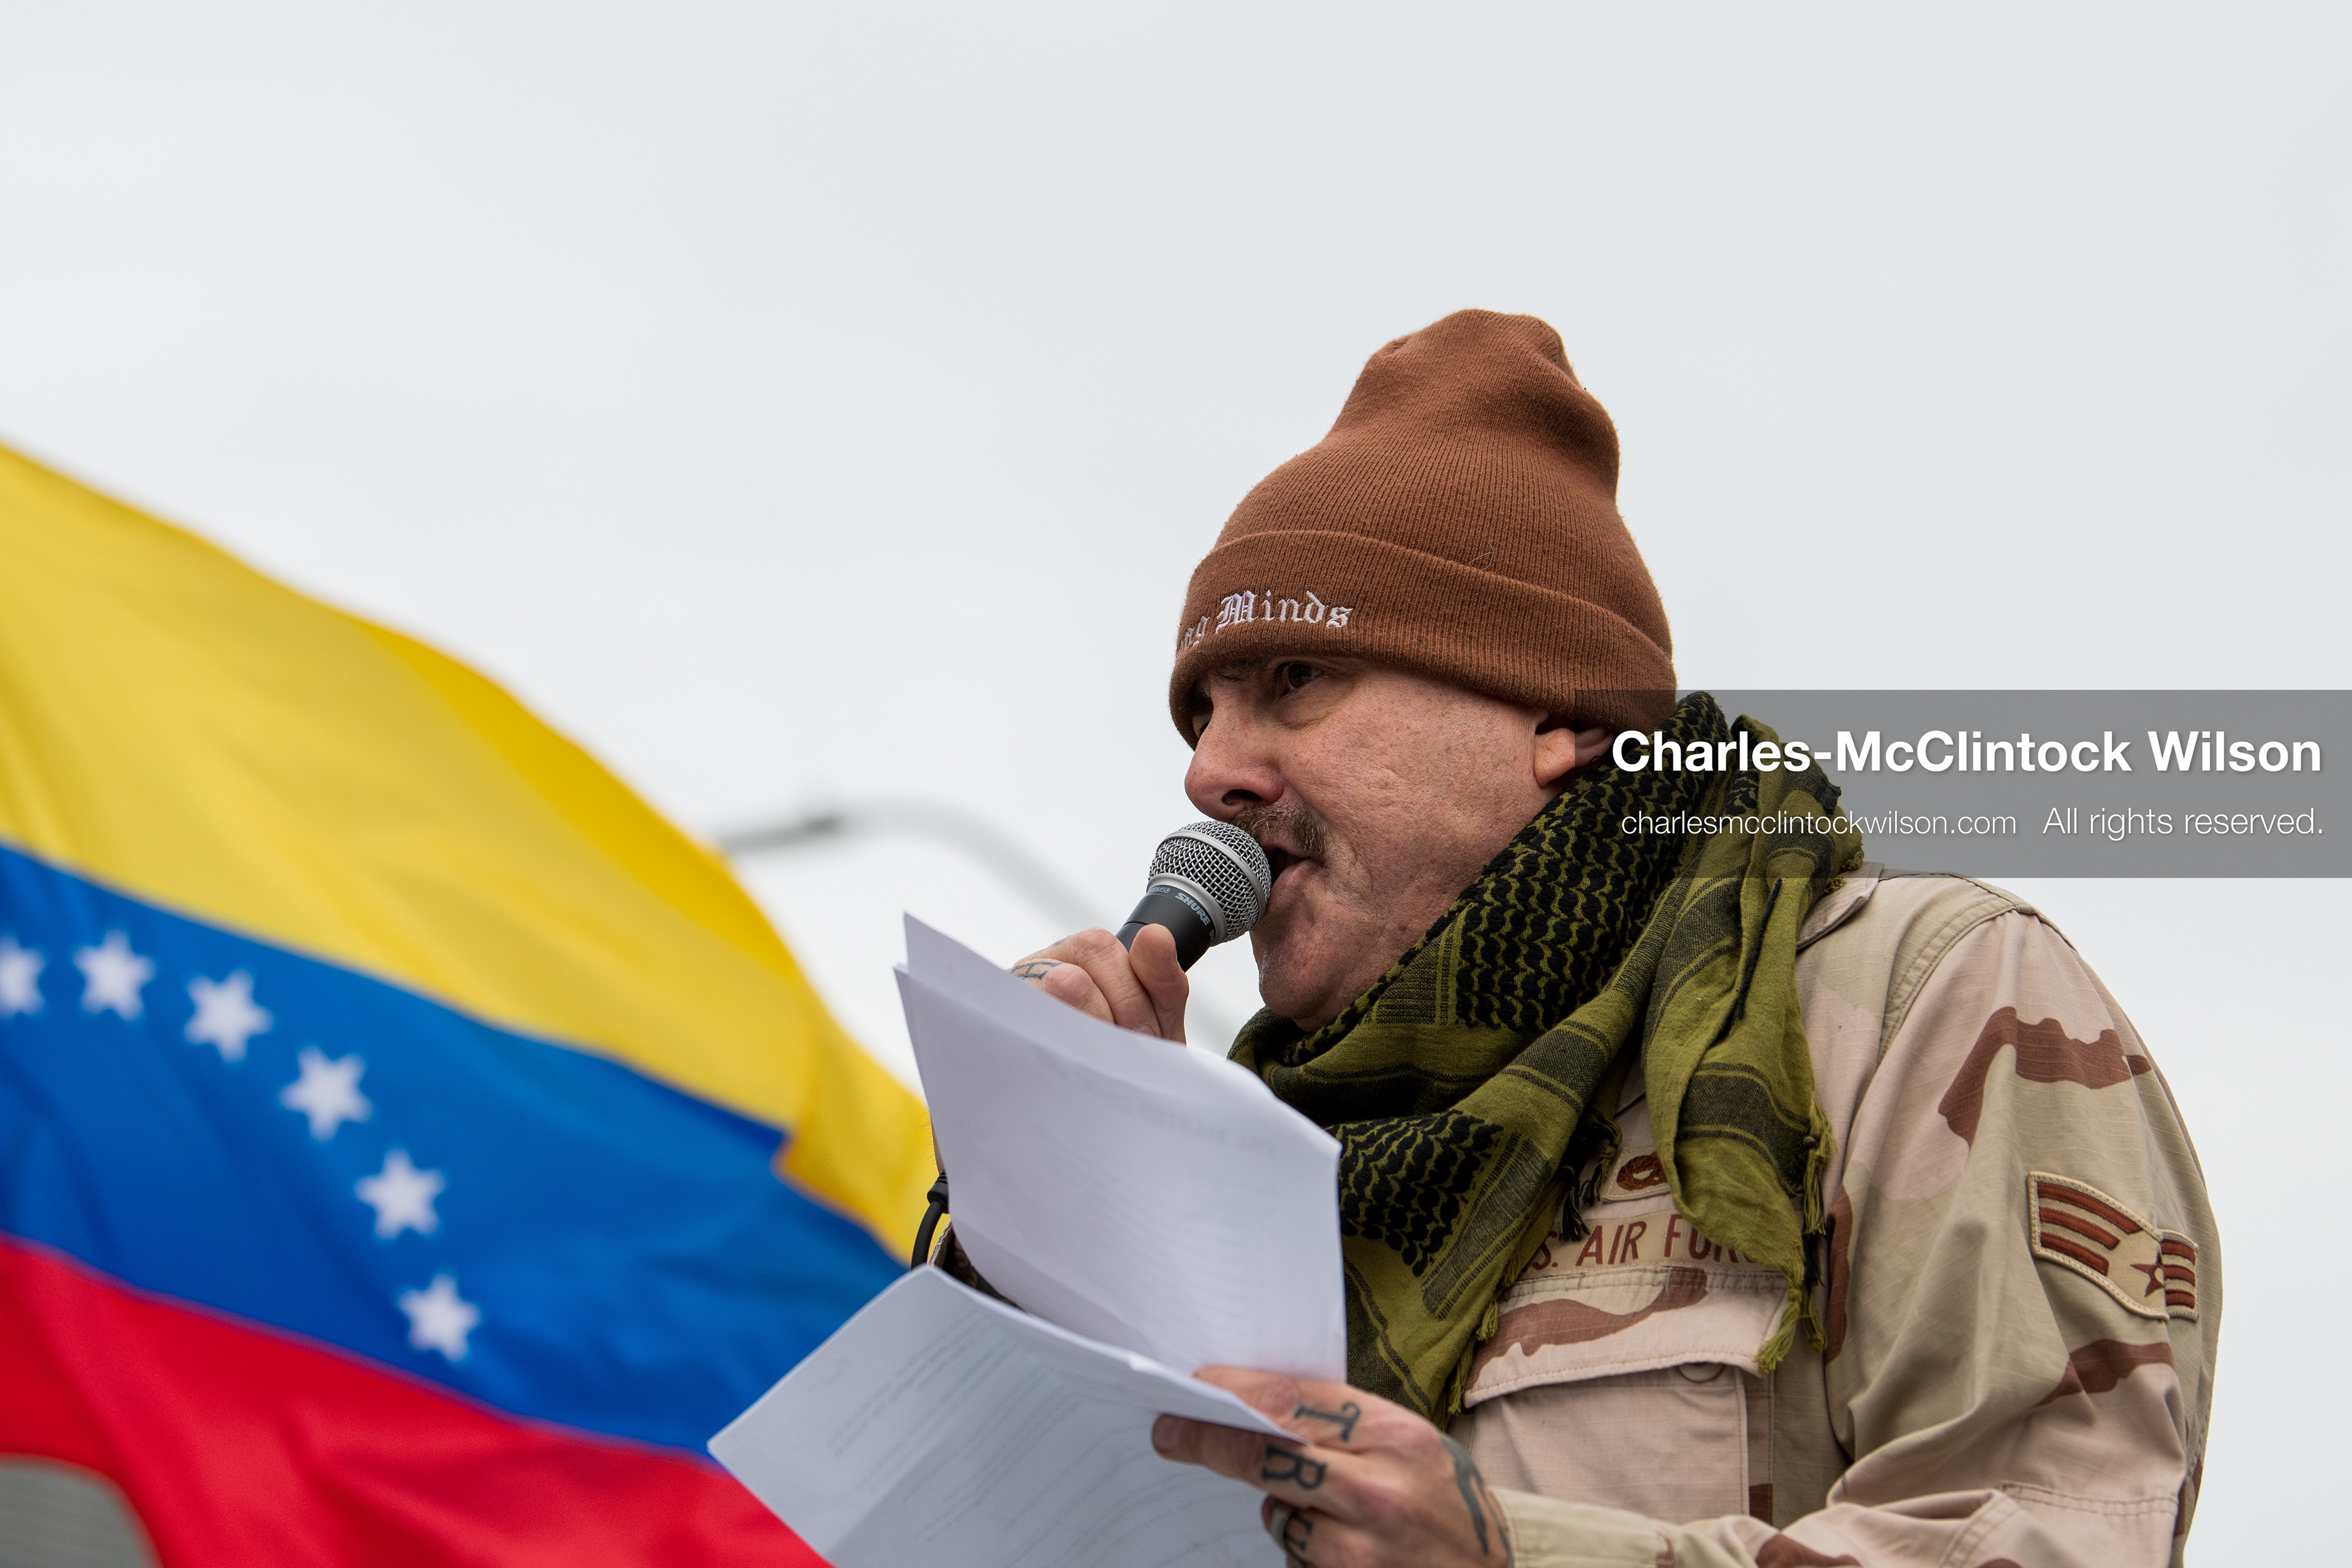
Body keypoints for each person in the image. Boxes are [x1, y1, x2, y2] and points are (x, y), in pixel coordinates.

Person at [961, 309, 2217, 1567]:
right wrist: (1067, 1204)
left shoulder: (1913, 998)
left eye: (1296, 677)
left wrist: (1503, 1557)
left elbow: (2054, 1536)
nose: (1215, 773)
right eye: (1201, 716)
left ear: (1551, 709)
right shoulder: (1248, 1145)